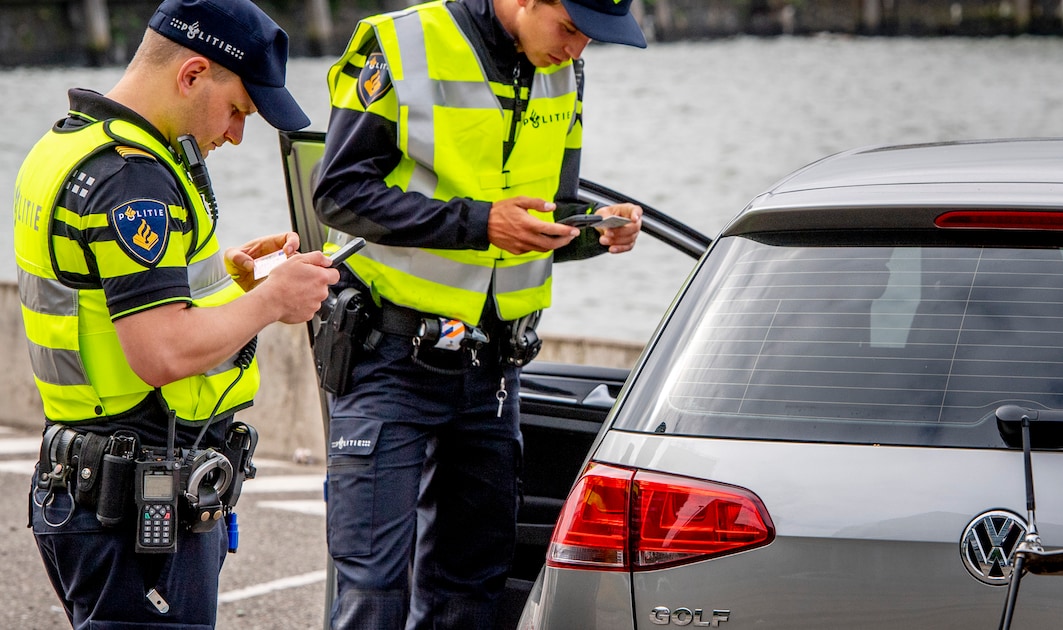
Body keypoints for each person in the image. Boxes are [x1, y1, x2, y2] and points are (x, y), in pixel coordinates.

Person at [312, 0, 647, 627]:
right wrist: (480, 222)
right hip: (390, 355)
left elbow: (546, 216)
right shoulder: (398, 45)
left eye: (593, 39)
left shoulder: (564, 71)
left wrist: (594, 232)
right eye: (571, 29)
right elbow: (338, 193)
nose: (578, 50)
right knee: (373, 590)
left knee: (473, 587)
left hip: (493, 372)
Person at [13, 0, 340, 627]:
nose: (238, 134)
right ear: (192, 75)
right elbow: (159, 351)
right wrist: (272, 301)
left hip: (84, 489)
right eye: (239, 110)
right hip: (133, 509)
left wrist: (236, 280)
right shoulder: (134, 180)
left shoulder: (71, 145)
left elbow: (105, 298)